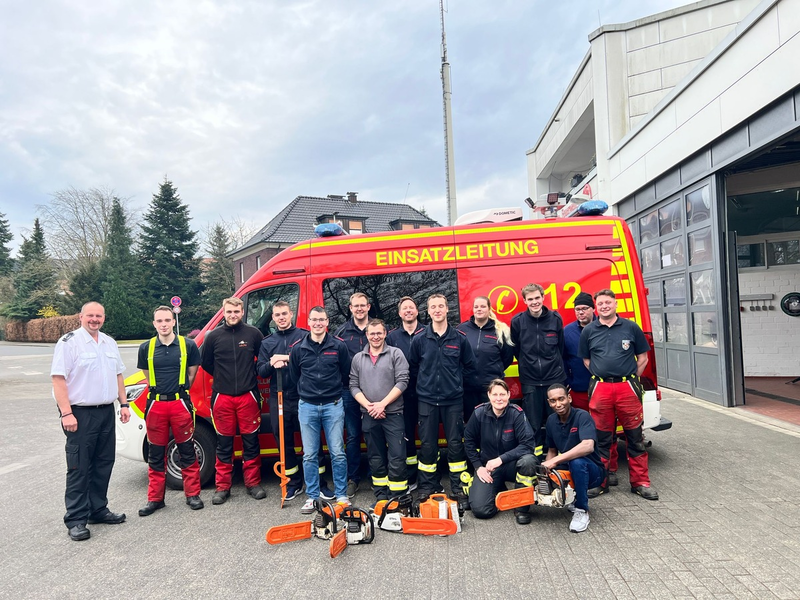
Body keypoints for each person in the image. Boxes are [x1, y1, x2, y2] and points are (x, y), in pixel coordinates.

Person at [51, 301, 129, 541]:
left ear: (104, 318)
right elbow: (58, 378)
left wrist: (124, 404)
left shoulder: (109, 342)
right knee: (79, 466)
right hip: (80, 414)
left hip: (106, 411)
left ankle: (98, 509)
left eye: (99, 316)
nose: (94, 319)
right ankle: (76, 519)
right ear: (81, 317)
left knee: (104, 462)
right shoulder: (69, 342)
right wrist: (66, 413)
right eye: (90, 316)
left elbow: (118, 375)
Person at [579, 289, 659, 500]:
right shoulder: (589, 331)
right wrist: (602, 375)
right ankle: (601, 482)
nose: (604, 306)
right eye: (601, 303)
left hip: (627, 389)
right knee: (602, 439)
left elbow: (643, 358)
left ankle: (640, 482)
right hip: (601, 389)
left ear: (616, 305)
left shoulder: (631, 328)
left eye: (608, 302)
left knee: (635, 438)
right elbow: (586, 361)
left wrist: (630, 380)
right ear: (596, 307)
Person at [408, 294, 476, 504]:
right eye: (433, 307)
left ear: (447, 309)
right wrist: (427, 384)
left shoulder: (459, 339)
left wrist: (453, 383)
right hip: (427, 400)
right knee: (428, 445)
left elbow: (469, 366)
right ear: (428, 312)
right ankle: (428, 486)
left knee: (455, 445)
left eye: (441, 306)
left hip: (452, 401)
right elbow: (413, 367)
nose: (437, 310)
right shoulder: (420, 339)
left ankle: (458, 487)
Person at [137, 306, 203, 517]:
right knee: (155, 453)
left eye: (167, 320)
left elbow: (192, 376)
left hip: (179, 403)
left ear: (173, 321)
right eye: (159, 321)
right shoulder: (146, 348)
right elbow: (148, 377)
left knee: (187, 450)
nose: (164, 324)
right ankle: (155, 499)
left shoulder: (188, 345)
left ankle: (192, 494)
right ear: (154, 323)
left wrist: (178, 393)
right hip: (156, 405)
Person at [200, 297, 266, 505]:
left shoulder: (254, 334)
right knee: (224, 444)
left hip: (248, 396)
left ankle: (253, 484)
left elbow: (262, 360)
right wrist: (224, 379)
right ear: (224, 312)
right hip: (223, 397)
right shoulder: (213, 337)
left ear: (242, 311)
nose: (233, 315)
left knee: (251, 442)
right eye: (229, 311)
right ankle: (223, 487)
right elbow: (207, 364)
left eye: (236, 311)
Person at [289, 306, 352, 513]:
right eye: (314, 320)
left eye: (322, 320)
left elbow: (345, 374)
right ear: (308, 322)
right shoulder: (298, 348)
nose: (318, 323)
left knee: (337, 452)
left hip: (333, 405)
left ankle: (342, 495)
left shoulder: (339, 346)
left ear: (327, 322)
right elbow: (294, 375)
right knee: (309, 455)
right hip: (307, 406)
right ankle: (313, 496)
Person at [562, 292, 619, 490]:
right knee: (581, 433)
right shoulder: (567, 331)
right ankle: (591, 469)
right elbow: (563, 359)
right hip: (579, 390)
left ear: (592, 309)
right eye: (577, 309)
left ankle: (610, 470)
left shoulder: (604, 327)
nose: (581, 312)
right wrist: (568, 382)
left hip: (603, 387)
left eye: (585, 308)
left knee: (606, 431)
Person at [349, 319, 410, 503]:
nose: (375, 337)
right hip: (369, 414)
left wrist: (382, 404)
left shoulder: (396, 354)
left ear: (385, 334)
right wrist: (369, 406)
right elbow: (353, 385)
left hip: (393, 414)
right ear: (366, 335)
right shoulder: (358, 358)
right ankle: (381, 496)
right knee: (375, 457)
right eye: (372, 333)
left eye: (379, 333)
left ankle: (398, 496)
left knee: (397, 456)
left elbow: (403, 381)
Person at [463, 379, 537, 524]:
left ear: (509, 395)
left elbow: (528, 445)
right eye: (495, 394)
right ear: (489, 395)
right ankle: (499, 492)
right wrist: (478, 467)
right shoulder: (479, 413)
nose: (499, 398)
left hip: (511, 465)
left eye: (502, 394)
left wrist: (501, 459)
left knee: (528, 461)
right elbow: (468, 440)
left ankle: (521, 507)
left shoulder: (516, 414)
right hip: (489, 468)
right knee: (481, 510)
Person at [256, 301, 308, 502]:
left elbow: (310, 362)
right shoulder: (267, 343)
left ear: (291, 314)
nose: (281, 318)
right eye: (277, 315)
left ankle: (317, 481)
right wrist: (271, 362)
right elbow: (260, 371)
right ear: (273, 318)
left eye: (284, 314)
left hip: (303, 395)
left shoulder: (303, 336)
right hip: (278, 397)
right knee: (284, 442)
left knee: (309, 441)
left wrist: (288, 358)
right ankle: (293, 482)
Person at [510, 283, 566, 458]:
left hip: (554, 380)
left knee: (557, 421)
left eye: (537, 298)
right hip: (531, 381)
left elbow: (561, 348)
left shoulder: (555, 319)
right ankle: (535, 461)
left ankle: (558, 458)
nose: (534, 302)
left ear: (543, 297)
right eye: (530, 299)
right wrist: (528, 364)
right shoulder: (517, 321)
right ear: (525, 301)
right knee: (532, 424)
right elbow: (516, 349)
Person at [542, 383, 605, 533]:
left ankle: (582, 510)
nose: (558, 404)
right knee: (547, 470)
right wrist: (546, 469)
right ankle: (570, 498)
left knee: (577, 462)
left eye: (561, 399)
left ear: (569, 398)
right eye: (553, 401)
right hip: (568, 468)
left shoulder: (582, 416)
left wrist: (556, 460)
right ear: (549, 403)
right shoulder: (551, 421)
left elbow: (588, 445)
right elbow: (551, 451)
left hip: (593, 472)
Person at [333, 292, 371, 497]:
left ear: (368, 307)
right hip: (348, 391)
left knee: (375, 434)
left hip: (375, 391)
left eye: (362, 305)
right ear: (350, 308)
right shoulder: (341, 333)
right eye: (355, 306)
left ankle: (377, 475)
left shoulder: (378, 330)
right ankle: (353, 478)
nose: (359, 309)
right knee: (353, 435)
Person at [386, 296, 425, 490]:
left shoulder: (428, 332)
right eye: (404, 308)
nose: (408, 311)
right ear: (400, 313)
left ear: (417, 311)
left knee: (427, 435)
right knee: (407, 435)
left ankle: (427, 477)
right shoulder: (392, 337)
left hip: (426, 392)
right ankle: (412, 478)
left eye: (412, 307)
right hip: (402, 394)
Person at [458, 296, 515, 422]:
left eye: (483, 306)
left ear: (489, 309)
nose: (479, 309)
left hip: (492, 388)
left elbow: (507, 358)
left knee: (493, 423)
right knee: (471, 424)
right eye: (476, 307)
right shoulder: (461, 330)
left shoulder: (500, 331)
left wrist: (493, 369)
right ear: (472, 309)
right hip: (468, 388)